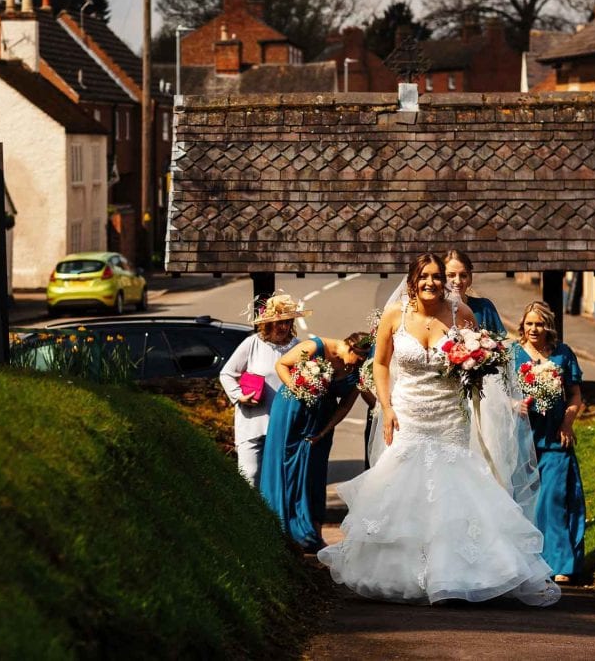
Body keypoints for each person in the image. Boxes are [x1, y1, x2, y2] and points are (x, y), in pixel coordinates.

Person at [318, 253, 560, 606]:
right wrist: (386, 409)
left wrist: (476, 362)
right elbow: (381, 364)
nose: (431, 283)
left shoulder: (460, 314)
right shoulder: (394, 316)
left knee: (455, 486)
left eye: (437, 277)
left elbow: (481, 358)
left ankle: (459, 574)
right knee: (404, 486)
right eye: (424, 277)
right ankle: (405, 575)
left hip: (449, 415)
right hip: (408, 413)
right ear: (413, 280)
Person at [260, 331, 369, 552]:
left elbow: (345, 406)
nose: (357, 365)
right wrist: (298, 388)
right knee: (284, 465)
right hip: (292, 411)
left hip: (321, 422)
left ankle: (312, 534)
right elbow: (282, 364)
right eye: (358, 360)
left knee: (314, 474)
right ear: (350, 348)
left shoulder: (358, 370)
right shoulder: (315, 347)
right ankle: (278, 527)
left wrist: (325, 431)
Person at [510, 301, 585, 583]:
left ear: (548, 326)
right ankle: (525, 562)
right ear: (522, 326)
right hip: (523, 437)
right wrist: (513, 404)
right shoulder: (513, 354)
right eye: (529, 323)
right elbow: (499, 393)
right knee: (524, 500)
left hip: (554, 438)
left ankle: (559, 562)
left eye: (539, 324)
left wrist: (567, 422)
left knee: (553, 499)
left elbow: (575, 395)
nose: (533, 329)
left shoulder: (563, 354)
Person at [219, 294, 308, 487]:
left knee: (278, 481)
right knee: (249, 476)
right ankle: (248, 517)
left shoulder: (299, 347)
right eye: (279, 322)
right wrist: (239, 396)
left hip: (285, 425)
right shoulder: (253, 343)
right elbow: (227, 374)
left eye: (288, 322)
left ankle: (274, 518)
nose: (283, 327)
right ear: (267, 323)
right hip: (253, 423)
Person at [443, 249, 505, 336]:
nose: (457, 281)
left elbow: (501, 345)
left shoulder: (484, 308)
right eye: (451, 275)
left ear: (470, 278)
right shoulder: (434, 309)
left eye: (463, 275)